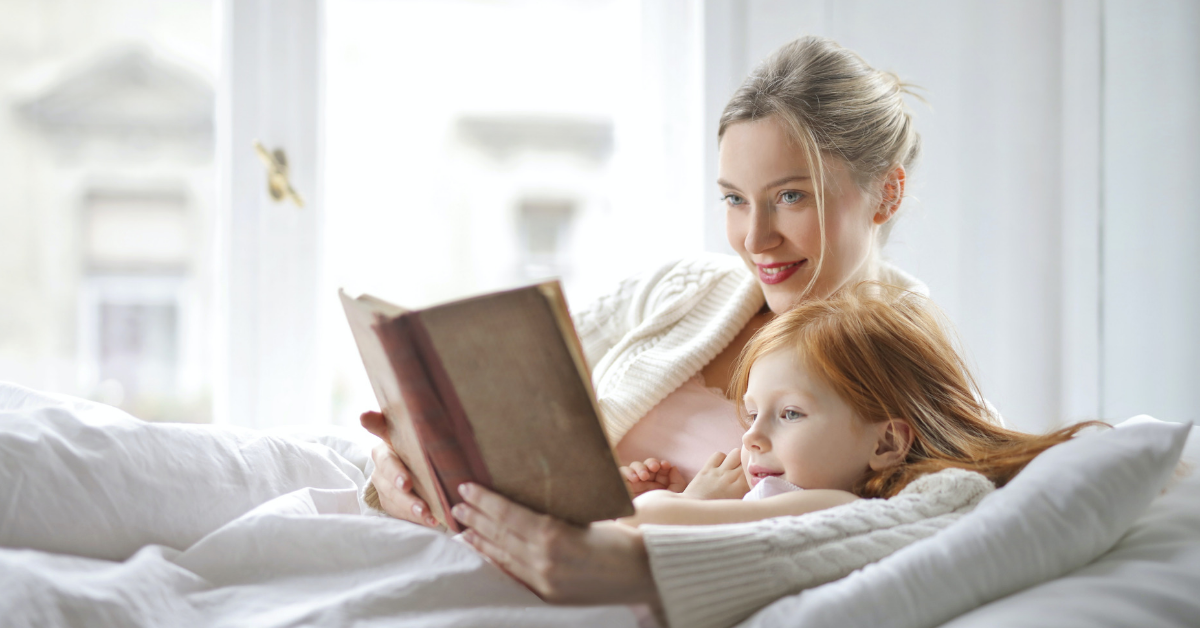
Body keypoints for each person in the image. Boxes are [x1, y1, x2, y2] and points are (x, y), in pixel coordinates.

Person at [357, 35, 992, 626]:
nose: (755, 238)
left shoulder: (910, 361)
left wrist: (636, 566)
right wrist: (400, 467)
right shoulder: (682, 289)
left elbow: (954, 515)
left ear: (886, 194)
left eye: (792, 197)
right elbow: (487, 408)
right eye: (735, 200)